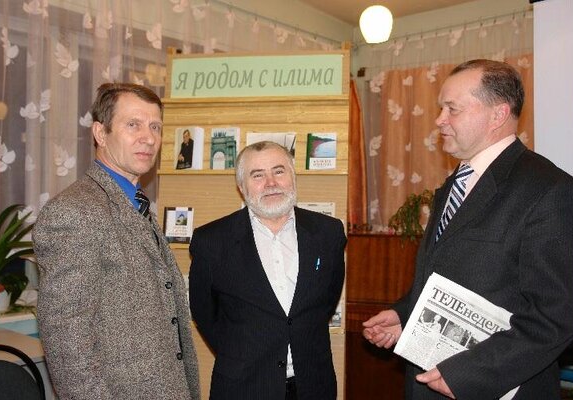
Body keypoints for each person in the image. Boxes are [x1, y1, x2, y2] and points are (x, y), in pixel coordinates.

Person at [362, 59, 573, 399]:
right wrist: (404, 315)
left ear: (497, 115)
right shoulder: (454, 184)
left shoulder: (548, 190)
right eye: (440, 108)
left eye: (452, 109)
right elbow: (449, 274)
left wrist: (469, 375)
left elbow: (556, 315)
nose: (439, 120)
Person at [33, 83, 200, 399]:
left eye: (155, 127)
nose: (148, 137)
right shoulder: (74, 211)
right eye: (133, 124)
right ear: (100, 133)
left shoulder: (135, 202)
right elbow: (68, 341)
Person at [188, 141, 346, 399]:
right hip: (243, 386)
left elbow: (327, 302)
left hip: (313, 386)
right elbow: (204, 312)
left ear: (293, 177)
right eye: (258, 175)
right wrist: (241, 352)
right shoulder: (211, 241)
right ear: (241, 187)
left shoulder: (328, 233)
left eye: (279, 171)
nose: (271, 183)